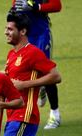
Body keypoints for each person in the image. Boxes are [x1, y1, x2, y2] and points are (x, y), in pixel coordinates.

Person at [13, 0, 62, 129]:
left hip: (41, 35)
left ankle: (55, 114)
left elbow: (57, 5)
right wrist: (13, 10)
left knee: (47, 72)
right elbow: (16, 4)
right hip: (24, 35)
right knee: (24, 69)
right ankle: (25, 114)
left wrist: (35, 7)